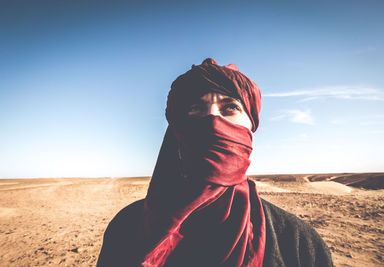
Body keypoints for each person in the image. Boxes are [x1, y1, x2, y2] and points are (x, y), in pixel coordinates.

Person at [97, 58, 333, 267]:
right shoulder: (127, 228)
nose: (212, 120)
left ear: (251, 126)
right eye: (195, 108)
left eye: (230, 108)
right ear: (177, 128)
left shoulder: (298, 242)